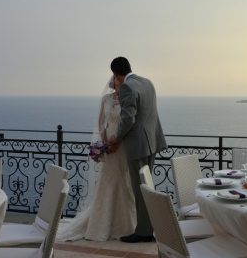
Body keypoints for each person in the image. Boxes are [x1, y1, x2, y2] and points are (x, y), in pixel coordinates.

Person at [56, 76, 136, 241]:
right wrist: (104, 143)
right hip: (108, 141)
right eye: (115, 78)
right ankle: (101, 222)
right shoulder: (106, 99)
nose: (117, 80)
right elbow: (101, 122)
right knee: (107, 180)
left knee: (122, 179)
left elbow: (129, 122)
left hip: (122, 145)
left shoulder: (128, 98)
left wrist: (117, 142)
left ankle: (126, 223)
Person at [109, 57, 167, 243]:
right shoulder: (147, 82)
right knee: (148, 187)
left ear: (116, 73)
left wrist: (116, 137)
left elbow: (128, 119)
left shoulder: (127, 87)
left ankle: (143, 232)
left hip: (137, 145)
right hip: (152, 142)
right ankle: (151, 227)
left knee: (140, 188)